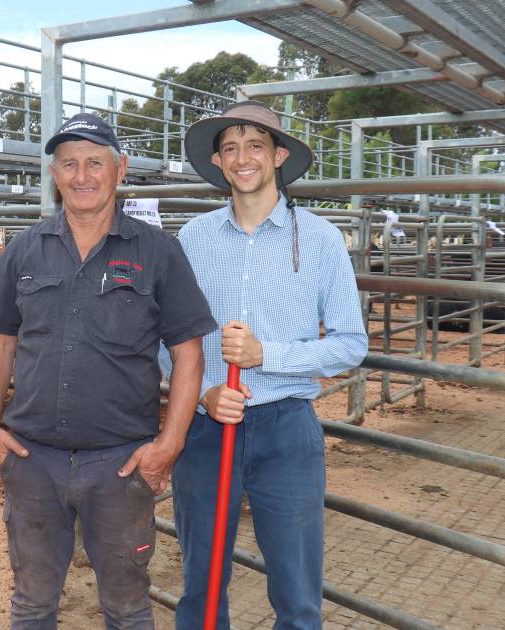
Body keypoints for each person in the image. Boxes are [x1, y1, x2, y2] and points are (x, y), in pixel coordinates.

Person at [0, 113, 217, 629]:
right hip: (33, 458)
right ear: (55, 175)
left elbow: (189, 352)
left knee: (127, 608)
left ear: (120, 169)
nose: (82, 175)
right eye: (69, 164)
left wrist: (169, 444)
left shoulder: (158, 251)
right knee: (32, 602)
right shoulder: (25, 248)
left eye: (94, 162)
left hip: (121, 463)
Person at [169, 100, 368, 629]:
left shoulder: (321, 240)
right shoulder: (193, 239)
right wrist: (206, 390)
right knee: (202, 586)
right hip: (209, 429)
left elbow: (352, 343)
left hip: (286, 429)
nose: (242, 158)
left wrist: (268, 356)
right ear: (217, 162)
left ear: (278, 155)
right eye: (229, 148)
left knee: (298, 593)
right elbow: (163, 339)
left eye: (255, 145)